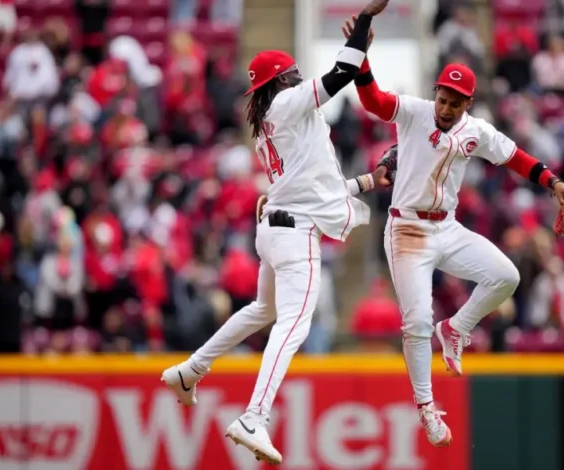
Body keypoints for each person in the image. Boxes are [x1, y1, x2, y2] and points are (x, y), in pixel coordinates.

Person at [160, 1, 391, 465]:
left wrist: (369, 181)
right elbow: (339, 76)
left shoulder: (278, 120)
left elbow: (319, 188)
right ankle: (254, 416)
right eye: (293, 72)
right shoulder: (287, 104)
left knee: (264, 310)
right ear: (280, 81)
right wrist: (365, 19)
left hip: (277, 226)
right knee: (293, 324)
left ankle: (191, 369)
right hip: (294, 233)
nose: (299, 76)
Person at [343, 17, 564, 447]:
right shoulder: (414, 112)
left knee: (506, 276)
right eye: (443, 97)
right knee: (415, 323)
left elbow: (516, 158)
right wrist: (360, 56)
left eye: (456, 102)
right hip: (407, 228)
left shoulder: (476, 130)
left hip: (447, 227)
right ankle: (427, 407)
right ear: (435, 92)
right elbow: (374, 102)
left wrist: (556, 184)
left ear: (468, 103)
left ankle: (455, 330)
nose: (447, 107)